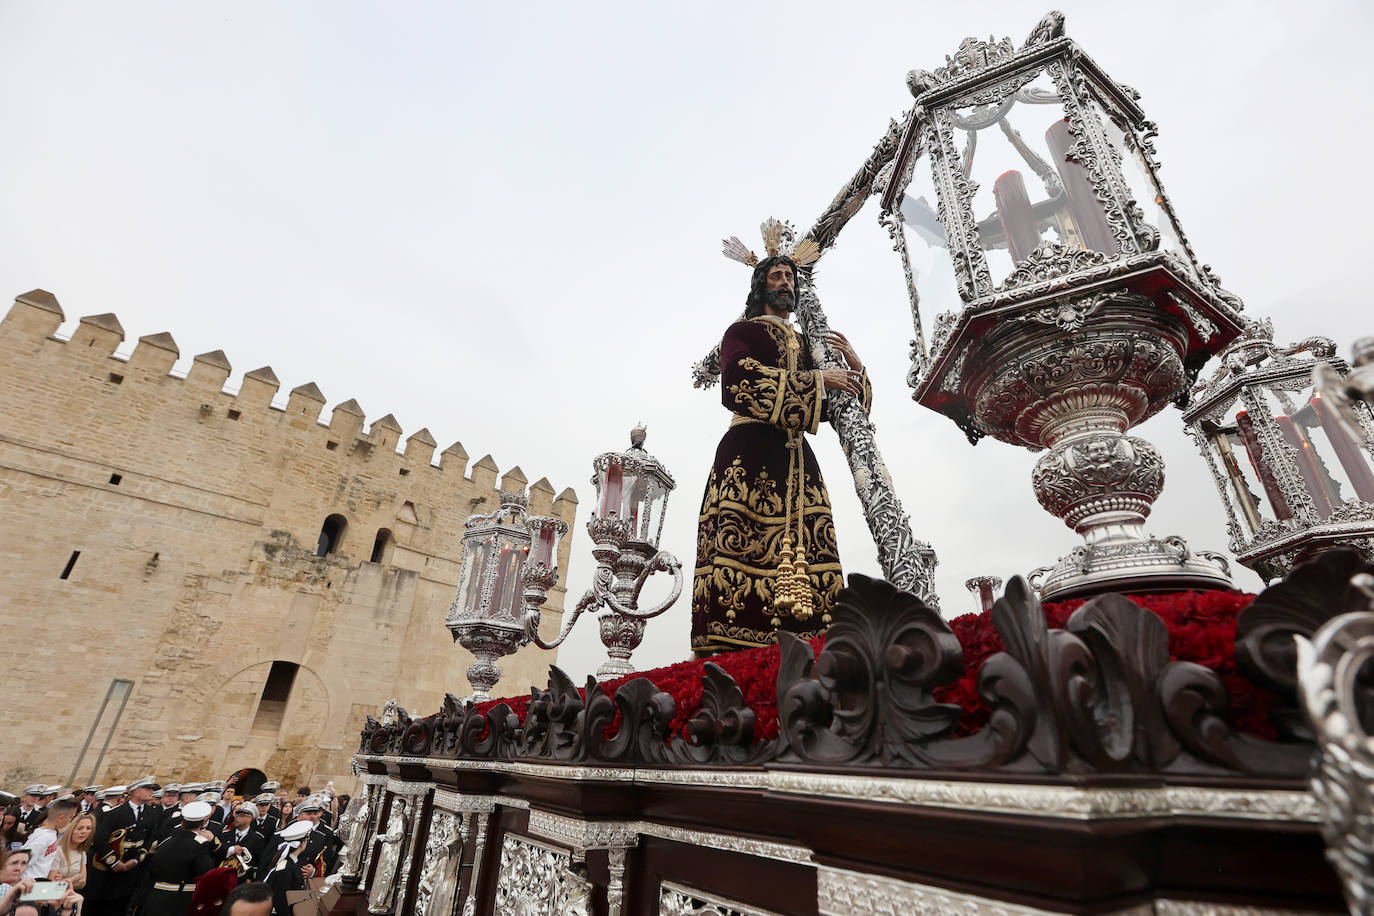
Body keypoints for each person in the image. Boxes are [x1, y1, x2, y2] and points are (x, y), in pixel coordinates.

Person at [692, 228, 870, 656]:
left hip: (797, 461)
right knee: (742, 538)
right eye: (776, 276)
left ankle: (814, 645)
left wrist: (856, 369)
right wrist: (817, 380)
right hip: (748, 454)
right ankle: (731, 646)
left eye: (790, 276)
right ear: (761, 285)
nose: (785, 282)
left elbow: (843, 411)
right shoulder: (742, 332)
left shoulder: (809, 346)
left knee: (813, 541)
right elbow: (737, 381)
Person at [84, 776, 157, 916]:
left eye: (152, 789)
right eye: (147, 789)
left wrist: (137, 859)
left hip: (132, 866)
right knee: (100, 905)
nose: (151, 792)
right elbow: (99, 840)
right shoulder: (115, 813)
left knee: (121, 904)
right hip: (109, 866)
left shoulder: (151, 813)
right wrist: (114, 862)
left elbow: (150, 837)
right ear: (135, 792)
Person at [139, 801, 218, 916]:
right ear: (203, 822)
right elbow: (206, 874)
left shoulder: (165, 842)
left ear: (182, 823)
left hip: (155, 899)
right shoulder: (200, 844)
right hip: (180, 901)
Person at [261, 821, 312, 916]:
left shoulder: (291, 862)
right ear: (301, 844)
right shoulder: (285, 868)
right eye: (306, 841)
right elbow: (281, 900)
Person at [20, 797, 77, 880]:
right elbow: (26, 860)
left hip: (38, 880)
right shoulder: (44, 836)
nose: (70, 821)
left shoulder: (51, 834)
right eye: (70, 818)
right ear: (61, 818)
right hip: (30, 880)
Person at [218, 804, 265, 881]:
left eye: (241, 816)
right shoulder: (224, 834)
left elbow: (258, 861)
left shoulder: (257, 839)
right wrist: (231, 850)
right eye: (237, 815)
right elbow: (217, 853)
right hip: (222, 876)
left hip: (242, 880)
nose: (236, 818)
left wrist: (250, 877)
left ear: (250, 818)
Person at [48, 812, 94, 889]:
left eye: (88, 828)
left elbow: (82, 883)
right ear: (70, 829)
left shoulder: (82, 853)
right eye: (80, 828)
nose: (84, 832)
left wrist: (66, 881)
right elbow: (53, 885)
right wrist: (77, 877)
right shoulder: (58, 851)